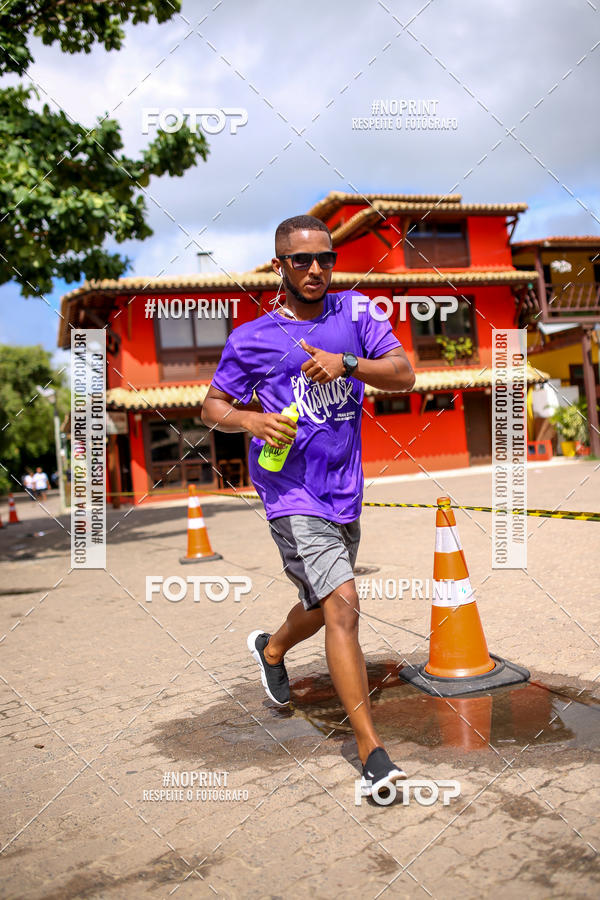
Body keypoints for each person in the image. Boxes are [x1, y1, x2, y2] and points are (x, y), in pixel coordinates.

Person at [202, 214, 416, 797]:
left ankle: (271, 649)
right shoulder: (252, 338)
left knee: (324, 605)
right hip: (289, 493)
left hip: (344, 488)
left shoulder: (359, 314)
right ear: (280, 266)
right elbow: (211, 407)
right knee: (344, 605)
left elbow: (404, 374)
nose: (316, 268)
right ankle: (372, 751)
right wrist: (250, 419)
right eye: (302, 260)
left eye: (325, 257)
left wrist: (347, 363)